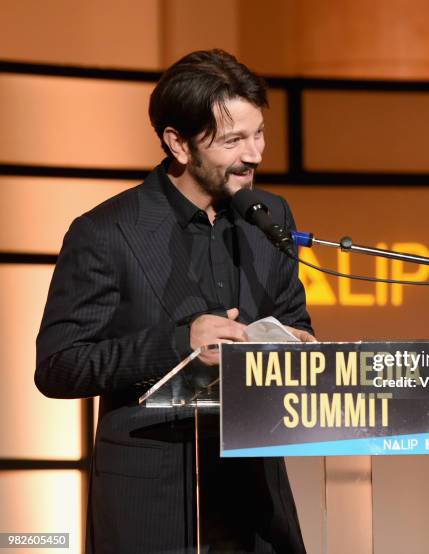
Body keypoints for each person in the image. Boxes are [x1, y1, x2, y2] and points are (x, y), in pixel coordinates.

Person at [35, 49, 314, 554]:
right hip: (153, 502)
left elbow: (294, 317)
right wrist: (177, 344)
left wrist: (298, 343)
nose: (254, 153)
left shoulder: (269, 214)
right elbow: (58, 366)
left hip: (256, 501)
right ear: (178, 144)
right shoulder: (106, 231)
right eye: (233, 141)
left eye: (258, 133)